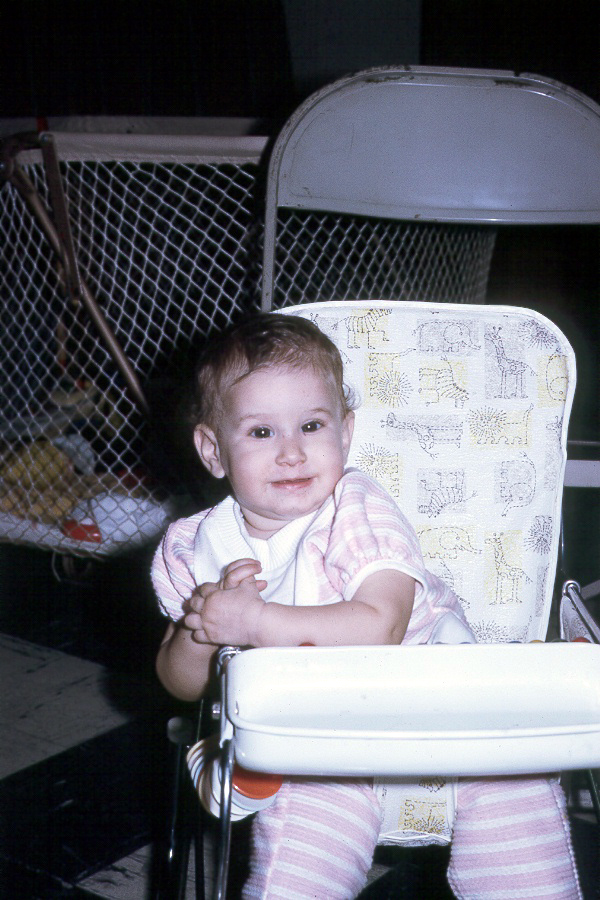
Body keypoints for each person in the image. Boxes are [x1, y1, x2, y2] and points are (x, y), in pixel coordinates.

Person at [153, 313, 581, 899]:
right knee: (304, 828)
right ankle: (249, 777)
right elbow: (178, 682)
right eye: (261, 432)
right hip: (319, 733)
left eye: (311, 425)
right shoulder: (196, 545)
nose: (291, 452)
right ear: (213, 450)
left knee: (513, 778)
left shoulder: (354, 510)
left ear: (345, 432)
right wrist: (203, 626)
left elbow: (382, 625)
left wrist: (255, 621)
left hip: (437, 695)